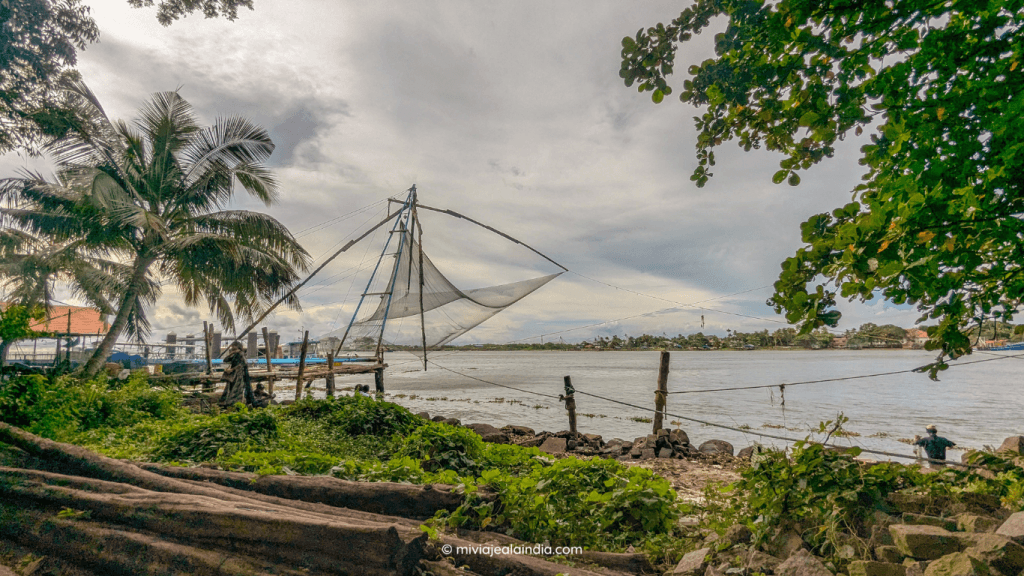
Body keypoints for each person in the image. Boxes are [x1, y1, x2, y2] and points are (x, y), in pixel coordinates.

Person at [219, 341, 255, 408]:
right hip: (234, 375)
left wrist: (232, 369)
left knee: (237, 389)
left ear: (237, 346)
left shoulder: (241, 354)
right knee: (231, 388)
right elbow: (225, 360)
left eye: (233, 346)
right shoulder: (235, 355)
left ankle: (234, 404)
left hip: (239, 375)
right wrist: (231, 353)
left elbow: (242, 364)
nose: (232, 347)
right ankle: (229, 403)